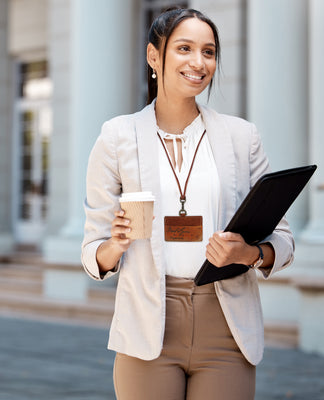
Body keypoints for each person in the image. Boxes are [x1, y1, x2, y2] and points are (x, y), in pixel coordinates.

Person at [81, 7, 294, 400]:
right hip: (148, 325)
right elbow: (93, 252)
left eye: (209, 52)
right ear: (153, 57)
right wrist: (115, 244)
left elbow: (282, 241)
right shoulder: (117, 137)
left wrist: (249, 253)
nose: (199, 62)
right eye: (184, 48)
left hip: (227, 323)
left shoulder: (242, 137)